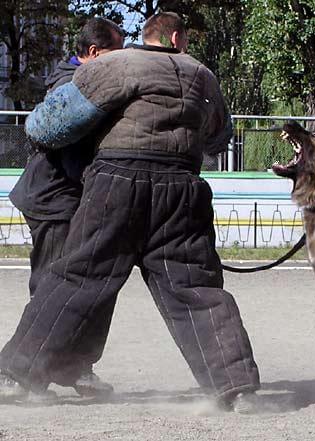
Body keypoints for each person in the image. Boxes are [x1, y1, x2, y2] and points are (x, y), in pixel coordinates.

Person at [0, 12, 260, 411]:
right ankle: (235, 387)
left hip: (116, 184)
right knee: (196, 286)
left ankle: (17, 374)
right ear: (177, 39)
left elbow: (45, 127)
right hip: (182, 190)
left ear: (149, 36)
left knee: (77, 277)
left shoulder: (116, 64)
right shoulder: (203, 75)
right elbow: (219, 139)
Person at [2, 17, 124, 399]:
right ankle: (17, 374)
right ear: (92, 54)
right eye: (113, 55)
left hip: (72, 198)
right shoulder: (71, 88)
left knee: (88, 284)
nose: (120, 64)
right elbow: (73, 158)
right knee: (52, 286)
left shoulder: (86, 83)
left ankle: (76, 367)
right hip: (54, 199)